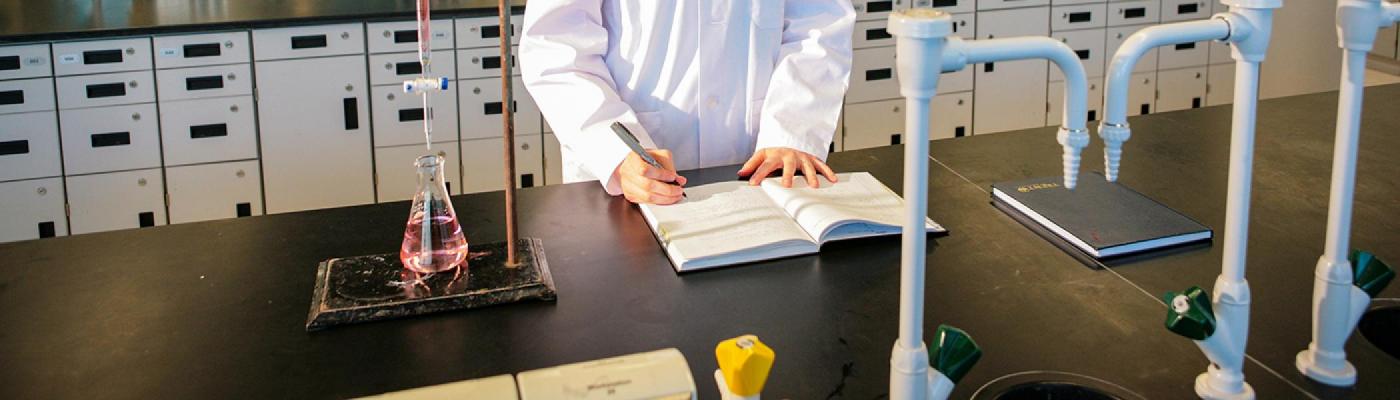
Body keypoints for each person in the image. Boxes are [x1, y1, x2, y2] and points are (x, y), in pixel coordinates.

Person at [520, 1, 856, 205]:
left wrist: (792, 129)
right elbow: (557, 48)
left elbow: (819, 26)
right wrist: (615, 153)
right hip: (624, 182)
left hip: (759, 170)